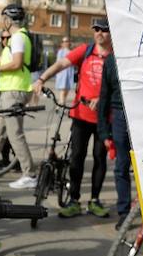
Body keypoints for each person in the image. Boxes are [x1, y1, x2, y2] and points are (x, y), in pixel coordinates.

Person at [32, 17, 113, 218]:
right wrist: (42, 79)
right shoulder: (86, 51)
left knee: (100, 158)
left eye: (104, 30)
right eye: (96, 29)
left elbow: (121, 88)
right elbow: (61, 64)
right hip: (80, 115)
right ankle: (74, 200)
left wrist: (102, 98)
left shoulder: (116, 57)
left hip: (104, 119)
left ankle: (94, 200)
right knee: (76, 157)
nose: (99, 33)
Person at [0, 4, 38, 191]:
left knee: (15, 134)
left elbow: (17, 63)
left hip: (15, 90)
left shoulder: (18, 38)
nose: (2, 22)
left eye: (3, 18)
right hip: (10, 89)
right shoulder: (17, 38)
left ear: (7, 19)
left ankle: (30, 174)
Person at [95, 47, 132, 225]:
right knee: (122, 166)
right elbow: (104, 95)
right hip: (119, 116)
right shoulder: (111, 60)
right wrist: (103, 131)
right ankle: (124, 212)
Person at [53, 37, 76, 108]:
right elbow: (58, 63)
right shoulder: (61, 52)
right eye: (64, 41)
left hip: (69, 73)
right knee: (62, 90)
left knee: (66, 91)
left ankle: (59, 105)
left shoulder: (72, 52)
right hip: (62, 73)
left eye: (66, 41)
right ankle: (62, 105)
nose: (65, 43)